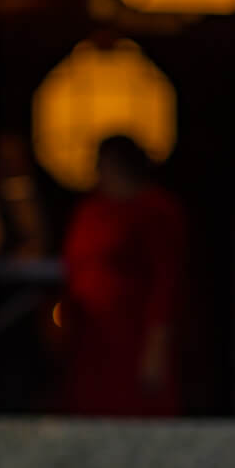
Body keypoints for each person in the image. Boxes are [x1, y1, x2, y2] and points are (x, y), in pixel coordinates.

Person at [59, 134, 185, 416]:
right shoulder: (91, 210)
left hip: (133, 335)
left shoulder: (155, 211)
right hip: (89, 337)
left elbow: (165, 284)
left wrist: (156, 348)